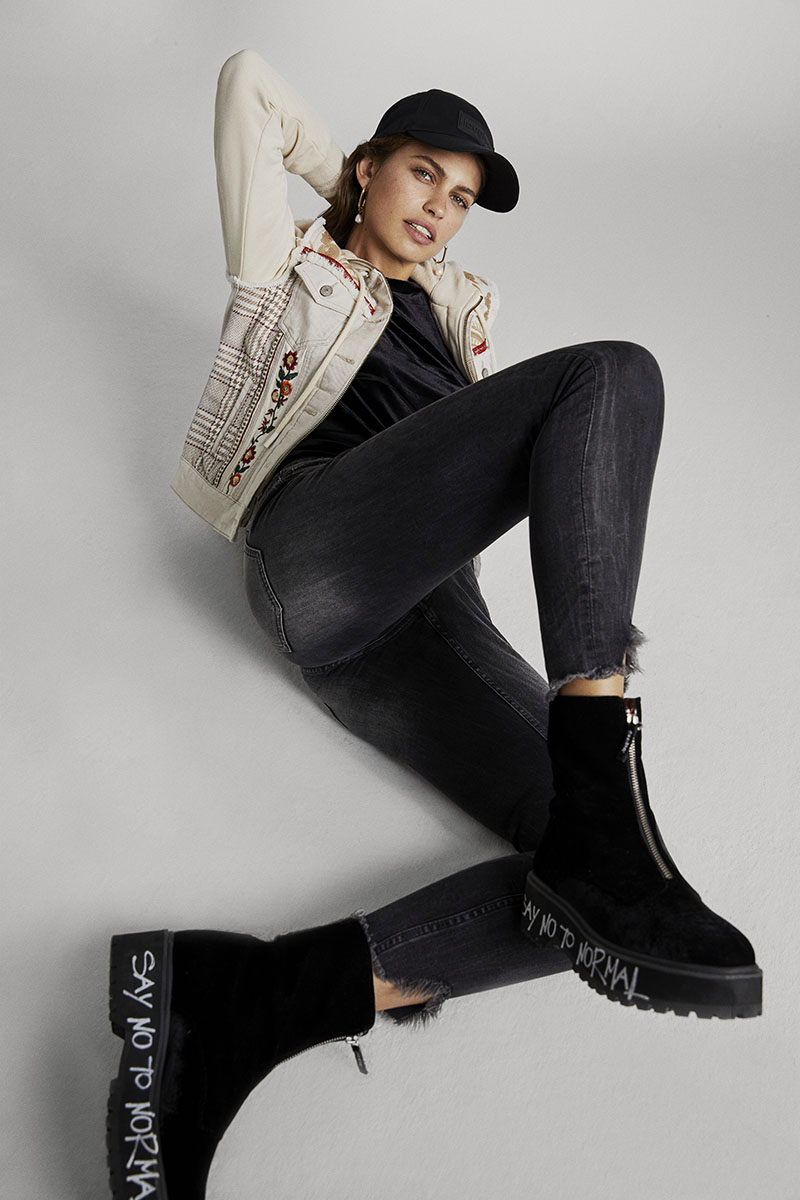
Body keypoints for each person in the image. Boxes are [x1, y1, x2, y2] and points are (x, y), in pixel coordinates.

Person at [106, 49, 762, 1200]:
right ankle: (598, 745)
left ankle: (251, 998)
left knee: (609, 893)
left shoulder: (455, 313)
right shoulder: (288, 269)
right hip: (318, 551)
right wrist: (347, 186)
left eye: (458, 199)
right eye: (420, 174)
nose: (437, 210)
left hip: (422, 624)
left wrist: (401, 208)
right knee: (612, 373)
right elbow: (248, 85)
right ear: (367, 168)